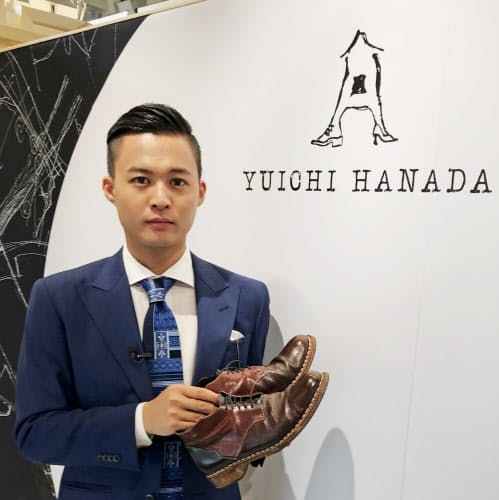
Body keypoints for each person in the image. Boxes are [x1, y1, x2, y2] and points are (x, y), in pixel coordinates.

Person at [14, 104, 270, 500]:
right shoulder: (59, 299)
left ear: (200, 192)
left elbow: (248, 424)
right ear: (110, 188)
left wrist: (261, 427)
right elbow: (35, 434)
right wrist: (141, 420)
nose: (161, 198)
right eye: (141, 180)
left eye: (178, 182)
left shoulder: (247, 297)